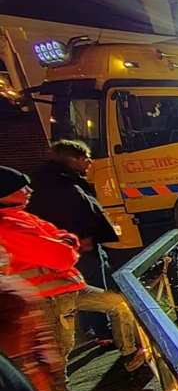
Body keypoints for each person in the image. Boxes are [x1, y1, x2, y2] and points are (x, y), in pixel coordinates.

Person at [0, 167, 146, 391]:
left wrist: (66, 243)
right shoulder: (8, 226)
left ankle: (130, 354)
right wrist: (65, 245)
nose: (28, 191)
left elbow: (65, 237)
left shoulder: (23, 217)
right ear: (4, 193)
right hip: (47, 296)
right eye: (21, 187)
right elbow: (61, 254)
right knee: (60, 347)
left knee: (118, 305)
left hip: (69, 287)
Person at [28, 140, 120, 345]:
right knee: (93, 286)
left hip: (62, 247)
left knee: (78, 285)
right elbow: (74, 213)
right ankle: (104, 333)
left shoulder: (44, 181)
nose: (89, 163)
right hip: (80, 245)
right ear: (72, 159)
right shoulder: (63, 184)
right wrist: (85, 238)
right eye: (84, 158)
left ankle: (86, 329)